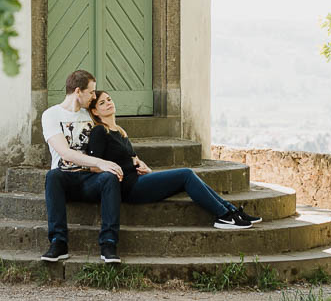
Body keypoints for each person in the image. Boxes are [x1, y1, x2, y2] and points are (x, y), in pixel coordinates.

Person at [82, 90, 261, 230]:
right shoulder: (99, 131)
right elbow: (94, 166)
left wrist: (141, 163)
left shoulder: (120, 131)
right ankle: (223, 215)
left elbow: (130, 157)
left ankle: (231, 211)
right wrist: (124, 166)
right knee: (186, 174)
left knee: (188, 176)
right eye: (102, 103)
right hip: (128, 188)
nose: (108, 103)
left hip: (138, 179)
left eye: (109, 99)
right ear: (95, 111)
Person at [40, 70, 126, 264]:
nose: (94, 97)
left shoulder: (90, 114)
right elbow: (65, 153)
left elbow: (113, 132)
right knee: (52, 176)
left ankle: (109, 244)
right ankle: (58, 243)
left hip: (91, 180)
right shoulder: (51, 115)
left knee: (110, 178)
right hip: (65, 180)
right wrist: (100, 162)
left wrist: (134, 157)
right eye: (92, 92)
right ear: (78, 91)